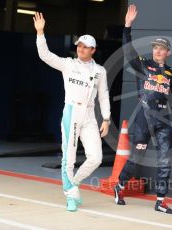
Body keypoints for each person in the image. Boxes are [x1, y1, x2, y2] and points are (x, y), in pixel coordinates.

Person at [33, 12, 111, 212]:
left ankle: (72, 184)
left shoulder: (100, 71)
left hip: (90, 116)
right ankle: (70, 194)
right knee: (69, 158)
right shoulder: (68, 64)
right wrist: (40, 32)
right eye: (79, 45)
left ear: (93, 50)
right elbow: (45, 55)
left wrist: (107, 119)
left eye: (85, 46)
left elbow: (103, 95)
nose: (81, 48)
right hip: (71, 113)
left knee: (96, 158)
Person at [113, 4, 172, 214]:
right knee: (136, 158)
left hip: (164, 121)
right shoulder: (142, 64)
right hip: (144, 119)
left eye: (162, 48)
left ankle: (160, 201)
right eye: (155, 47)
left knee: (165, 161)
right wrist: (127, 26)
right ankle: (120, 186)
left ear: (168, 52)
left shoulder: (171, 72)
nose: (158, 50)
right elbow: (127, 49)